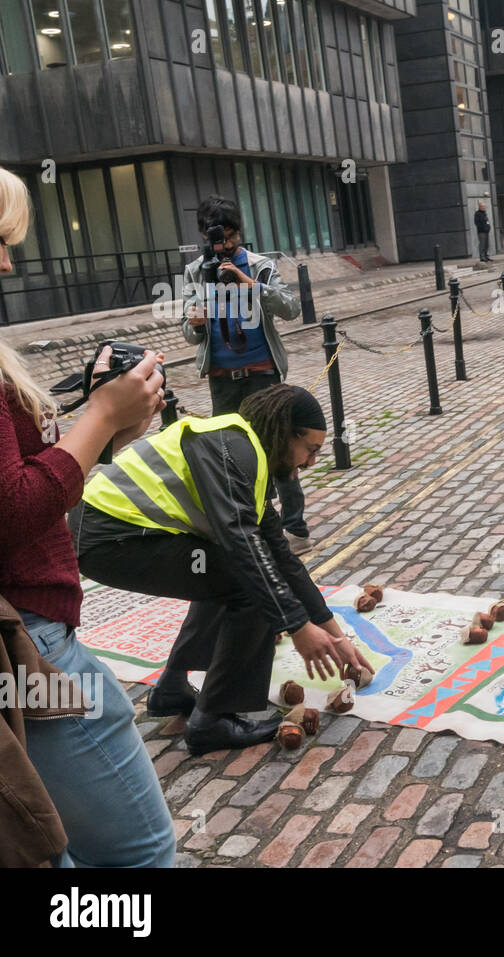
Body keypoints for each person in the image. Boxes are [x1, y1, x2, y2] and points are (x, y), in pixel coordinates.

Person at [0, 165, 176, 866]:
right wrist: (101, 416)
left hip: (24, 640)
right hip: (28, 645)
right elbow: (11, 510)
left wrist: (96, 429)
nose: (7, 260)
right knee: (139, 857)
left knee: (51, 857)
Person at [72, 384, 374, 755]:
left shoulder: (250, 459)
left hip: (119, 535)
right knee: (249, 583)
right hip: (110, 538)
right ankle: (213, 719)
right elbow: (242, 545)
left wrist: (334, 633)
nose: (311, 462)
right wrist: (295, 624)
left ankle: (172, 690)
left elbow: (283, 559)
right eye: (310, 450)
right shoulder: (231, 448)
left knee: (237, 574)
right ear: (284, 434)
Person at [181, 196, 313, 554]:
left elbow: (290, 308)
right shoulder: (195, 271)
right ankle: (254, 528)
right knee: (232, 457)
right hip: (223, 378)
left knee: (279, 449)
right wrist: (194, 322)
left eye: (229, 237)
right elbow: (188, 332)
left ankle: (295, 529)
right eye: (215, 240)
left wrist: (250, 285)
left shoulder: (259, 266)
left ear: (239, 232)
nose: (223, 246)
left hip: (262, 373)